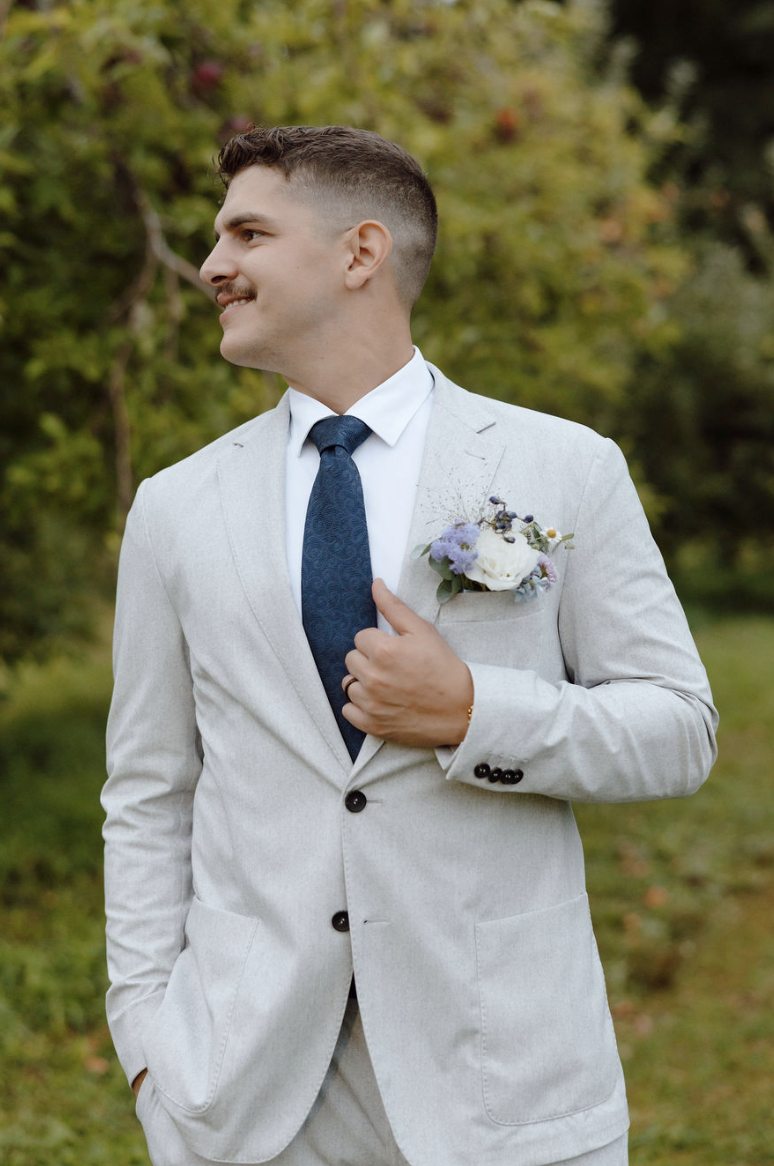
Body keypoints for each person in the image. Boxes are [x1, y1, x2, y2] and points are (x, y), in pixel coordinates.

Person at [103, 125, 717, 1166]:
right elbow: (150, 788)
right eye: (215, 238)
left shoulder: (562, 465)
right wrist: (149, 1041)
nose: (212, 265)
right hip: (247, 1095)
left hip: (507, 1082)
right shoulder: (174, 508)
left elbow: (680, 727)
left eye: (247, 231)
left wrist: (475, 710)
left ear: (360, 253)